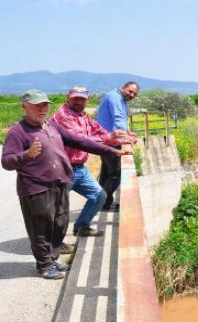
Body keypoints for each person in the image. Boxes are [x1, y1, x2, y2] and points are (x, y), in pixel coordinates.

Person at [1, 89, 131, 280]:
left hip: (59, 182)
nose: (42, 108)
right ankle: (44, 266)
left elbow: (79, 141)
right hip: (36, 188)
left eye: (45, 104)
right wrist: (26, 155)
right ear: (24, 106)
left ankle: (53, 259)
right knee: (41, 228)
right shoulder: (18, 132)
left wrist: (112, 151)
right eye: (37, 105)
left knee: (59, 224)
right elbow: (6, 161)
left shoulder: (50, 126)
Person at [49, 85, 135, 237]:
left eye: (82, 99)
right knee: (58, 208)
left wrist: (121, 136)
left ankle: (82, 227)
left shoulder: (82, 115)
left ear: (86, 101)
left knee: (99, 196)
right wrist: (112, 141)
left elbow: (97, 129)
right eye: (75, 98)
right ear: (68, 98)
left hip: (79, 168)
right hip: (63, 168)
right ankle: (53, 243)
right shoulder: (64, 116)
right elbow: (82, 141)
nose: (79, 102)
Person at [96, 81, 139, 212]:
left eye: (135, 94)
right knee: (116, 173)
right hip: (110, 141)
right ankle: (98, 202)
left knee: (106, 173)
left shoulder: (121, 99)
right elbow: (118, 118)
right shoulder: (114, 97)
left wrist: (128, 132)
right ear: (123, 88)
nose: (132, 95)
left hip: (107, 139)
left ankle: (104, 203)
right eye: (130, 91)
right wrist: (126, 137)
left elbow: (123, 120)